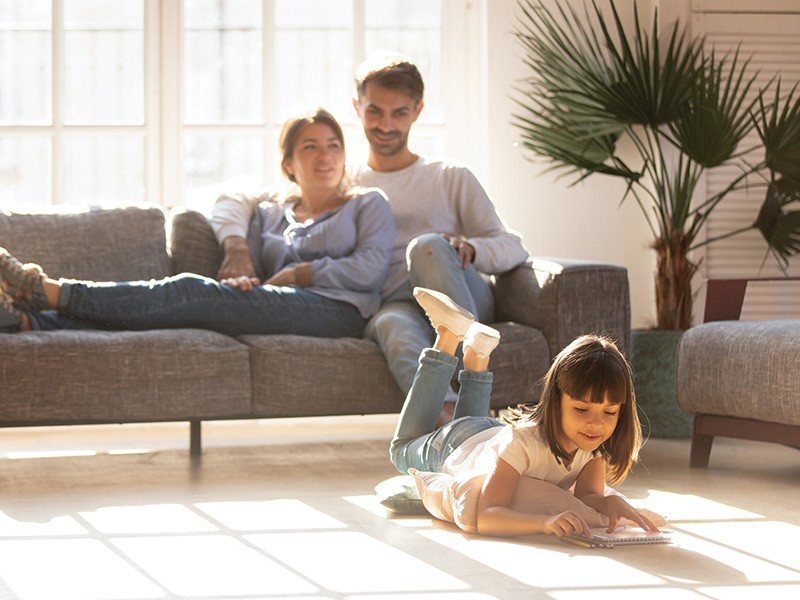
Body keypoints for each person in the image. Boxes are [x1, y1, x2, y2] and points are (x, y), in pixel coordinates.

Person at [212, 54, 529, 422]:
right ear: (357, 108)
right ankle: (457, 424)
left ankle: (477, 392)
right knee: (389, 325)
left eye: (400, 113)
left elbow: (513, 246)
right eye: (375, 111)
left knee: (425, 247)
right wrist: (236, 247)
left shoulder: (449, 176)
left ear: (418, 111)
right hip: (397, 303)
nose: (386, 125)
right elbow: (238, 198)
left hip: (455, 290)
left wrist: (471, 248)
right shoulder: (343, 179)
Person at [0, 108, 394, 337]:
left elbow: (369, 272)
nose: (325, 156)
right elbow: (253, 262)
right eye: (310, 147)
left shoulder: (367, 204)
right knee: (167, 310)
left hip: (339, 311)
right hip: (278, 305)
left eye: (334, 146)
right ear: (289, 164)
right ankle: (30, 321)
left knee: (188, 290)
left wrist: (297, 274)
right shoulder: (271, 213)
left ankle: (49, 292)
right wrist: (244, 275)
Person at [390, 286, 660, 539]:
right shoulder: (524, 443)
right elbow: (486, 516)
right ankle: (448, 336)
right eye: (581, 408)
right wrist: (543, 523)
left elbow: (587, 495)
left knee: (466, 425)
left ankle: (478, 353)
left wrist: (608, 501)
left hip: (486, 434)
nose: (596, 423)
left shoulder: (592, 443)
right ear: (555, 401)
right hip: (453, 445)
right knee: (401, 451)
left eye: (610, 412)